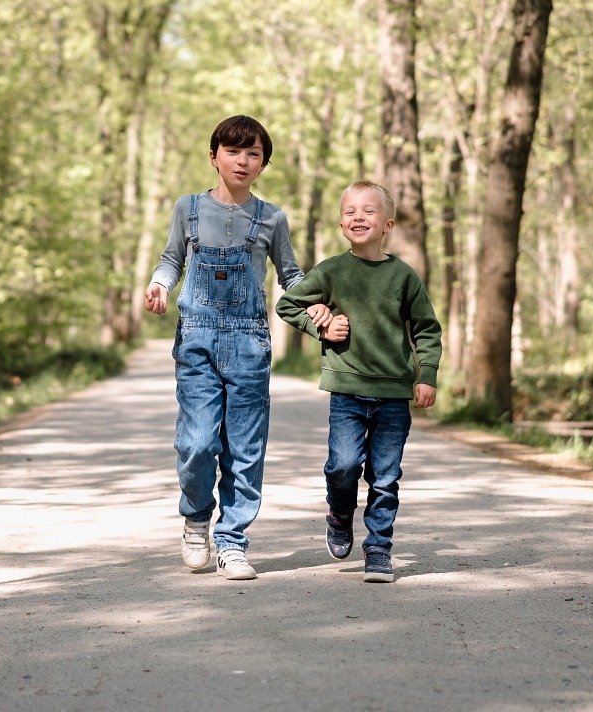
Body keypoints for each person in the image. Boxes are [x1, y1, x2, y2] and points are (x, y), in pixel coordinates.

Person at [144, 114, 327, 581]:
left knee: (245, 447)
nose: (242, 161)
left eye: (253, 154)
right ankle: (196, 518)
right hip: (197, 339)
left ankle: (232, 541)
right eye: (233, 151)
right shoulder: (186, 209)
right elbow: (171, 259)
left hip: (249, 341)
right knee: (198, 442)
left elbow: (291, 276)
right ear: (214, 157)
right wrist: (159, 284)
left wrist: (317, 309)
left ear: (263, 164)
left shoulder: (272, 218)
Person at [276, 180, 441, 584]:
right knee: (343, 466)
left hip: (393, 394)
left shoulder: (403, 276)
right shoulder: (331, 271)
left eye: (368, 211)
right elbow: (287, 304)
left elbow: (426, 330)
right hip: (347, 391)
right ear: (340, 222)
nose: (358, 217)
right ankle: (339, 511)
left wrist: (428, 376)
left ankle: (379, 549)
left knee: (385, 476)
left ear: (388, 224)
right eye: (350, 211)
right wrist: (322, 328)